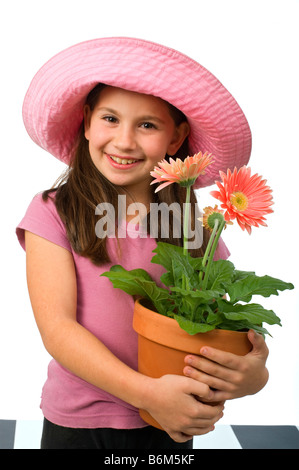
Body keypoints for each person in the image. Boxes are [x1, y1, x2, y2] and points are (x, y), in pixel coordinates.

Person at [16, 37, 269, 449]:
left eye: (147, 125)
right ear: (86, 121)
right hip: (81, 424)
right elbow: (57, 329)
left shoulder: (193, 226)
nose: (125, 141)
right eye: (110, 119)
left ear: (176, 139)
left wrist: (254, 371)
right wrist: (147, 394)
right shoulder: (53, 211)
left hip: (170, 421)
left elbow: (215, 318)